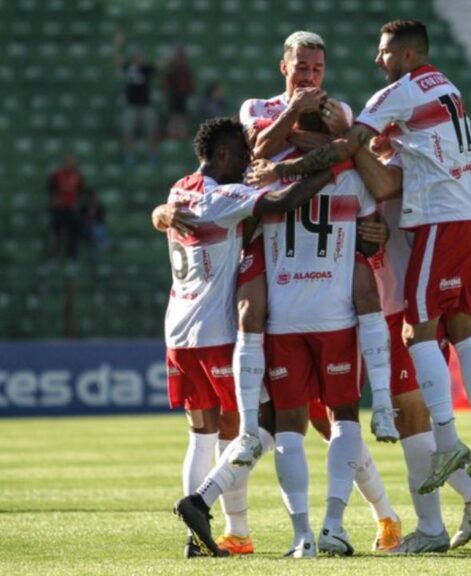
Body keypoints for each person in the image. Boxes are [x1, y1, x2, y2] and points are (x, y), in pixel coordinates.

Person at [249, 21, 471, 511]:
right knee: (331, 415)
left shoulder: (391, 125)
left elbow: (358, 163)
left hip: (397, 284)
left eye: (384, 52)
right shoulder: (426, 118)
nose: (377, 60)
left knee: (410, 393)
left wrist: (295, 163)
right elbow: (366, 171)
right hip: (350, 298)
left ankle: (447, 482)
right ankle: (470, 468)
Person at [233, 30, 401, 553]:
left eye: (317, 69)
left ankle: (311, 532)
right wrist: (326, 147)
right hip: (312, 306)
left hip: (301, 306)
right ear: (284, 66)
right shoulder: (261, 112)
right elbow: (275, 148)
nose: (310, 77)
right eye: (302, 67)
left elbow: (340, 156)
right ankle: (331, 526)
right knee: (334, 420)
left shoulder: (283, 165)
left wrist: (307, 152)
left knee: (302, 425)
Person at [157, 117, 336, 558]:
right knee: (265, 426)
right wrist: (334, 166)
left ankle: (210, 536)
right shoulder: (223, 196)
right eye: (241, 154)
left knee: (202, 435)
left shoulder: (179, 189)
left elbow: (161, 214)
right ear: (222, 155)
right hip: (215, 331)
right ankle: (201, 503)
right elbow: (284, 200)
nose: (247, 162)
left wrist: (157, 213)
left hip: (178, 329)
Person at [357, 133, 471, 553]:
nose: (372, 137)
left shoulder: (406, 165)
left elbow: (389, 195)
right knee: (410, 420)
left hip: (408, 304)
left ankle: (433, 527)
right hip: (390, 302)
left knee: (412, 417)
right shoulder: (378, 169)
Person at [113, 30, 158, 166]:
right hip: (131, 105)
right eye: (136, 56)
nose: (138, 58)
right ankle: (128, 156)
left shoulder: (146, 69)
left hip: (145, 105)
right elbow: (117, 59)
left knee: (151, 132)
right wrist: (117, 45)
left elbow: (161, 65)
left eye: (140, 56)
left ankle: (152, 156)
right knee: (128, 132)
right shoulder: (129, 68)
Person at [46, 154, 84, 262]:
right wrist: (54, 199)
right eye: (68, 161)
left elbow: (81, 191)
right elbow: (50, 188)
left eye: (72, 161)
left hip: (71, 208)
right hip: (59, 207)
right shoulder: (57, 174)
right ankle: (53, 257)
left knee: (73, 233)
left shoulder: (78, 176)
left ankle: (71, 259)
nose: (70, 163)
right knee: (56, 232)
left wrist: (77, 203)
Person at [162, 47, 195, 140]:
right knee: (174, 115)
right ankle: (173, 132)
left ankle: (182, 132)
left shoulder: (186, 69)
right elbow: (166, 81)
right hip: (173, 94)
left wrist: (192, 92)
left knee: (182, 115)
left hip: (183, 94)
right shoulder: (171, 69)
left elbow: (190, 82)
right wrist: (165, 89)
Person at [81, 188, 110, 258]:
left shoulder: (100, 207)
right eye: (93, 196)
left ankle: (103, 245)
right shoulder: (84, 207)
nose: (95, 198)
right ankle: (105, 243)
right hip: (86, 228)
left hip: (97, 227)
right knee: (94, 231)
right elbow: (81, 219)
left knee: (97, 230)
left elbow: (102, 220)